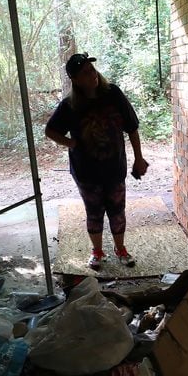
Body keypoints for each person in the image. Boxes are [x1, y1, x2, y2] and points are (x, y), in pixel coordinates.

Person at [45, 53, 149, 270]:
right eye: (85, 73)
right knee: (94, 212)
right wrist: (71, 143)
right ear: (75, 79)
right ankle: (97, 252)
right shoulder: (70, 105)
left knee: (117, 210)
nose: (91, 75)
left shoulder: (113, 94)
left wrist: (139, 158)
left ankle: (121, 250)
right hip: (86, 172)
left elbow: (132, 127)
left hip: (114, 168)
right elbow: (50, 131)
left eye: (92, 70)